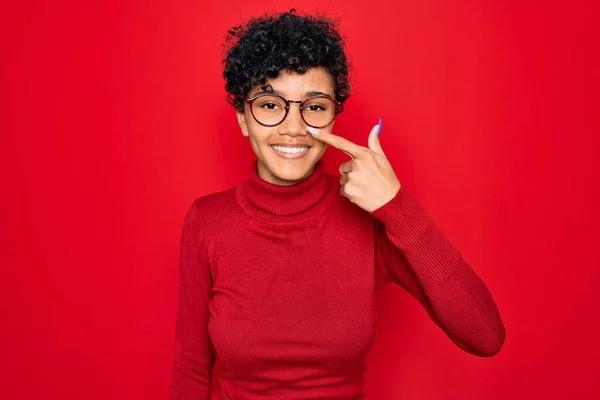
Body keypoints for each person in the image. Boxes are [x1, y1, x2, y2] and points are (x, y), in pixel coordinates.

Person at [168, 9, 505, 400]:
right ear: (243, 117)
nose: (293, 127)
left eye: (313, 106)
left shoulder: (371, 220)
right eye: (270, 104)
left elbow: (485, 335)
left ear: (331, 118)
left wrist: (397, 206)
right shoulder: (208, 222)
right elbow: (190, 369)